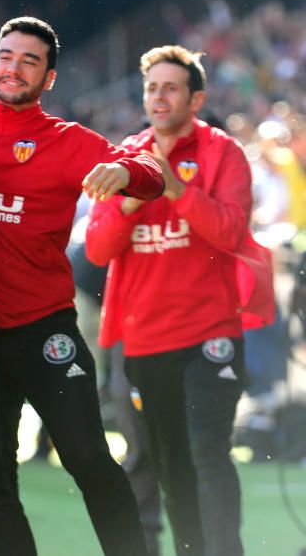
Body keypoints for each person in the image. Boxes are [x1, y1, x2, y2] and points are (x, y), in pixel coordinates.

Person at [0, 16, 164, 556]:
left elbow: (150, 171)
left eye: (30, 60)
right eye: (7, 55)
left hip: (44, 328)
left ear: (48, 78)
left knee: (89, 459)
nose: (14, 67)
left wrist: (125, 174)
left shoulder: (70, 141)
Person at [86, 45, 275, 556]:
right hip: (143, 339)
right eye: (152, 87)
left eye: (171, 87)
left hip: (209, 333)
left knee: (207, 453)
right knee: (168, 465)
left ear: (197, 99)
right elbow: (100, 249)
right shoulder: (127, 157)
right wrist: (130, 196)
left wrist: (174, 189)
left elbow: (233, 232)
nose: (159, 96)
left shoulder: (222, 153)